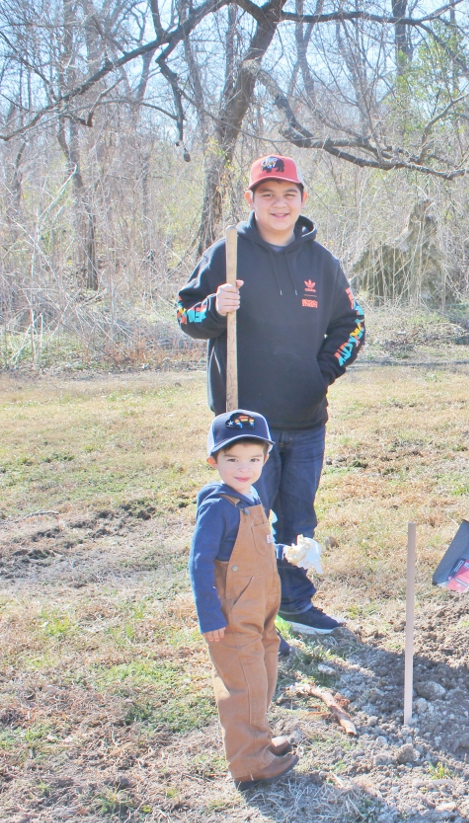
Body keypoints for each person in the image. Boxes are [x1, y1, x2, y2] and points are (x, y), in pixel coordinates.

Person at [178, 154, 365, 633]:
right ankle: (248, 614)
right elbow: (186, 317)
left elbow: (353, 324)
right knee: (245, 523)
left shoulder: (322, 264)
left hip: (305, 420)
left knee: (299, 518)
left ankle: (295, 603)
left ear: (302, 199)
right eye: (267, 195)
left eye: (288, 194)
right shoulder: (228, 253)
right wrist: (215, 309)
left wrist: (320, 374)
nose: (278, 204)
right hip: (245, 424)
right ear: (251, 200)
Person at [189, 409, 320, 789]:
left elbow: (256, 546)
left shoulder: (251, 497)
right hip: (232, 614)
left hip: (262, 609)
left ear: (266, 458)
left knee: (262, 676)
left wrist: (286, 552)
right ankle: (249, 765)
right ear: (214, 461)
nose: (243, 468)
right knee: (243, 685)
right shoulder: (218, 507)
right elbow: (200, 563)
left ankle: (258, 741)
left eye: (253, 459)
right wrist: (209, 616)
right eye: (232, 460)